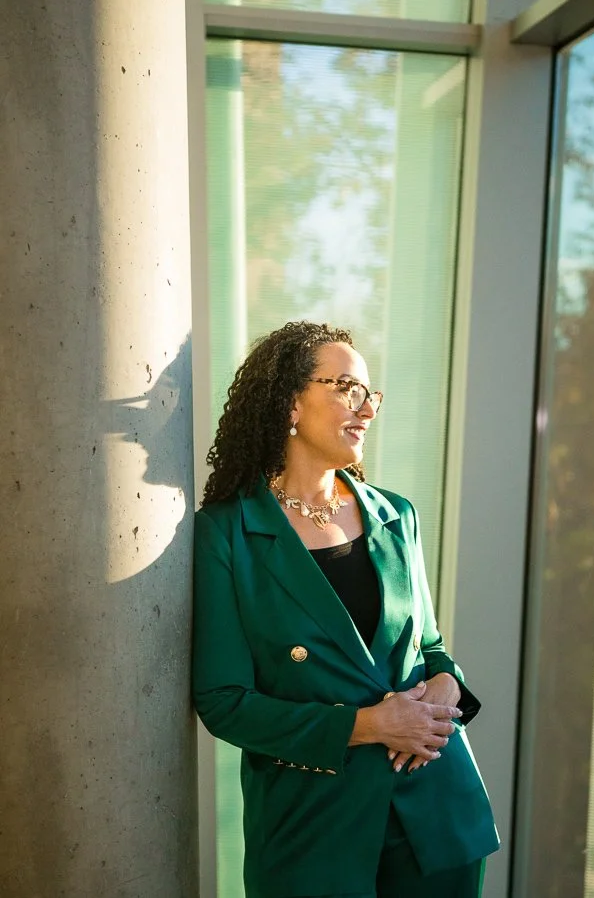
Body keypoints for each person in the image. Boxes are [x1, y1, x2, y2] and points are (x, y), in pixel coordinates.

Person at [193, 321, 499, 898]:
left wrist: (445, 688)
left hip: (435, 809)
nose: (367, 409)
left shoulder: (396, 515)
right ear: (290, 402)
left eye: (370, 394)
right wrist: (365, 725)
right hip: (315, 826)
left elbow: (430, 647)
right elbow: (223, 702)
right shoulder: (227, 534)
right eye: (346, 389)